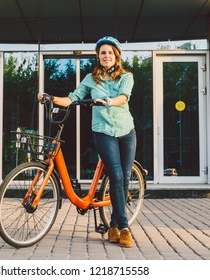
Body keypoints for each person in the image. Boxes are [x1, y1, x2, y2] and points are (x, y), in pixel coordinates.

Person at [38, 36, 136, 248]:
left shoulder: (126, 77)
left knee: (124, 178)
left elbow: (123, 98)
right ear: (98, 57)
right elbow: (72, 98)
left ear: (116, 56)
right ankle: (124, 228)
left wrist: (109, 101)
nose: (106, 56)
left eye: (110, 52)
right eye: (102, 53)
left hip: (126, 131)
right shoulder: (91, 79)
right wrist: (50, 97)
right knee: (116, 176)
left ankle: (114, 227)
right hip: (103, 131)